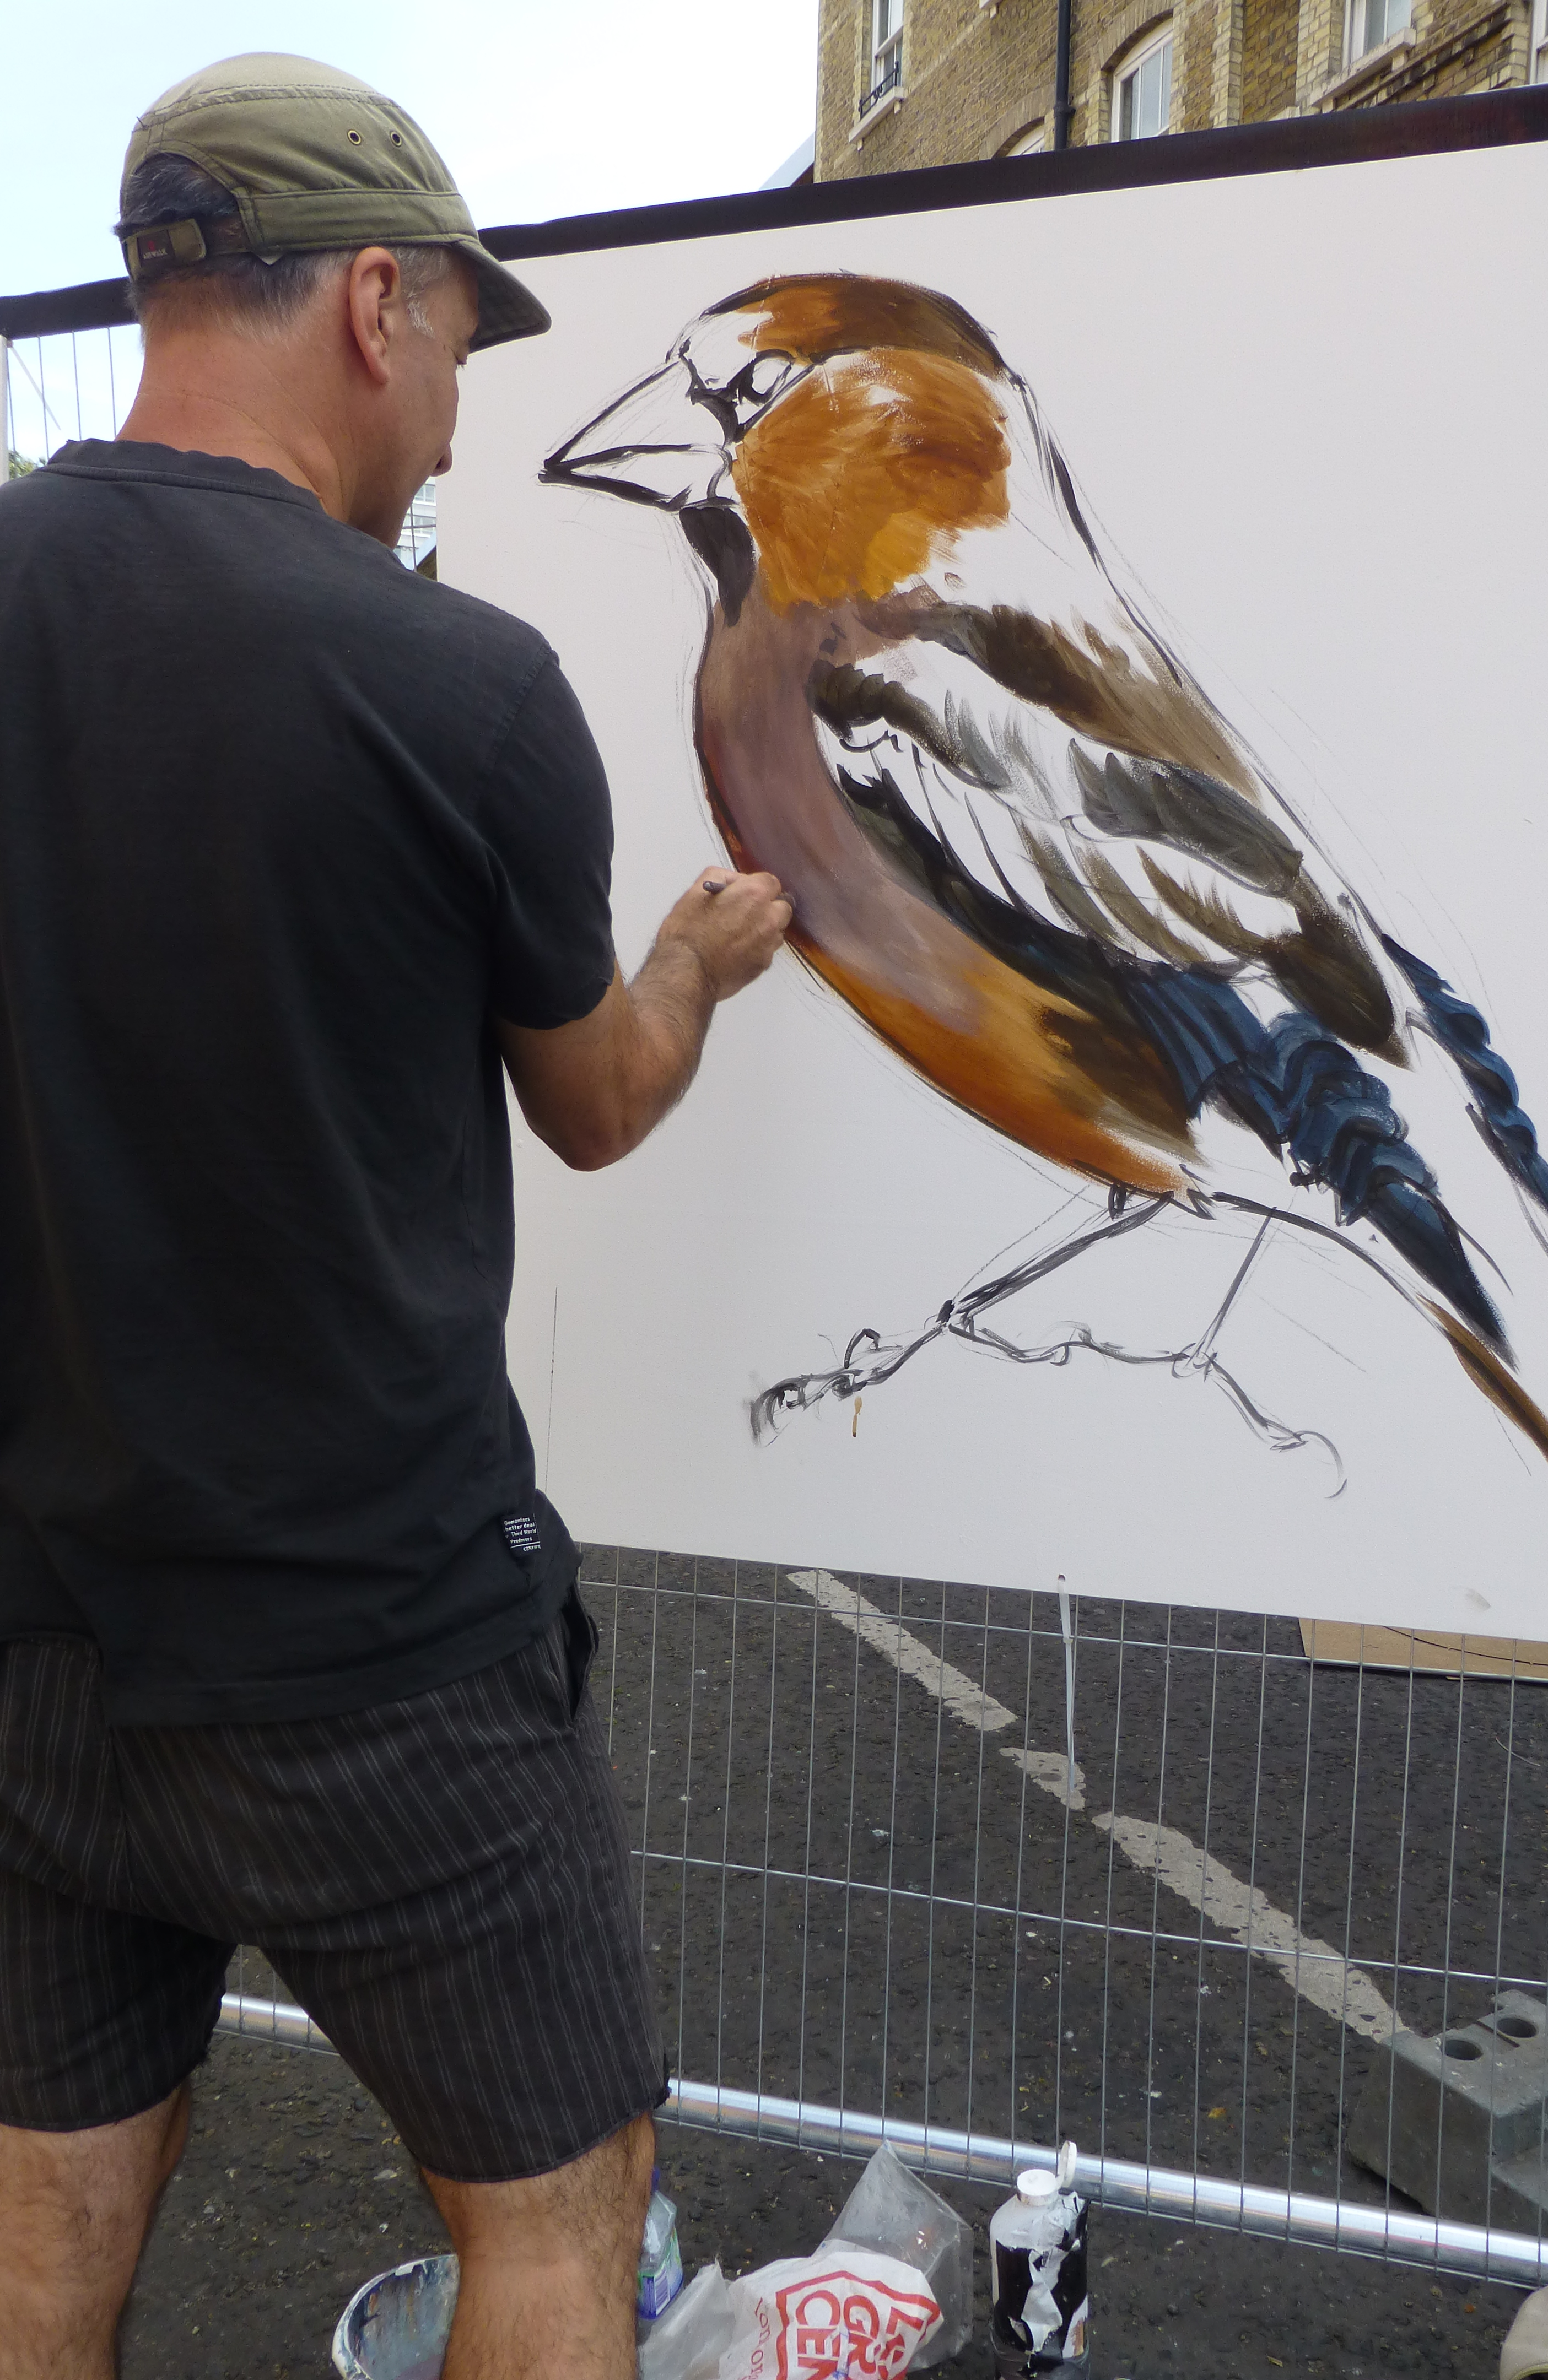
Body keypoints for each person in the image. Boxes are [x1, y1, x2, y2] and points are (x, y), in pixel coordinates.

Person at [0, 52, 790, 2380]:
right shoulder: (460, 681)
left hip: (36, 1634)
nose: (454, 419)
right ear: (372, 301)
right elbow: (598, 1108)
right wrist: (690, 967)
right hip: (382, 1656)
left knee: (40, 2226)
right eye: (456, 340)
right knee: (558, 2213)